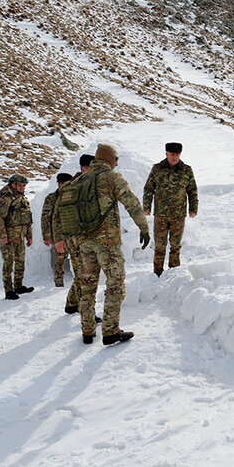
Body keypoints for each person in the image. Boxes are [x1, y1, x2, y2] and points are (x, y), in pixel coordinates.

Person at [53, 143, 150, 346]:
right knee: (115, 284)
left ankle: (87, 332)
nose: (116, 164)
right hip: (107, 243)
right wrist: (144, 228)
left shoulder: (80, 180)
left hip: (83, 243)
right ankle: (110, 330)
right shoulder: (111, 177)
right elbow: (131, 202)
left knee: (87, 287)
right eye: (116, 160)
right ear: (110, 159)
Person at [142, 142, 199, 276]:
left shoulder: (186, 170)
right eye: (172, 154)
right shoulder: (157, 169)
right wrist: (146, 206)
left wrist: (193, 208)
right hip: (161, 215)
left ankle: (174, 273)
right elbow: (149, 189)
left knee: (175, 246)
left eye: (177, 154)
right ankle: (157, 274)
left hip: (178, 215)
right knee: (160, 246)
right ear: (166, 154)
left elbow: (192, 191)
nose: (175, 157)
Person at [0, 175, 34, 300]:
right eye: (20, 185)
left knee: (20, 263)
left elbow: (27, 221)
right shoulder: (6, 200)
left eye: (23, 185)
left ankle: (18, 286)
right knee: (8, 264)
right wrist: (3, 236)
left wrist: (29, 236)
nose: (22, 188)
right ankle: (9, 290)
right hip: (9, 238)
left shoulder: (23, 199)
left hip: (20, 237)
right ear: (13, 185)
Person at [62, 154, 94, 314]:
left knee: (82, 274)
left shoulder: (90, 184)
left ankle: (71, 303)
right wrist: (58, 238)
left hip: (85, 237)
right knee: (84, 274)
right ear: (84, 168)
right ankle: (86, 312)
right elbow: (57, 214)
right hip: (74, 238)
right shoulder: (72, 187)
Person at [42, 173, 74, 287]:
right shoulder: (51, 198)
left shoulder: (72, 196)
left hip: (71, 232)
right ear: (59, 184)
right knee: (59, 259)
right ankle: (58, 282)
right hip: (56, 233)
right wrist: (46, 235)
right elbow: (45, 217)